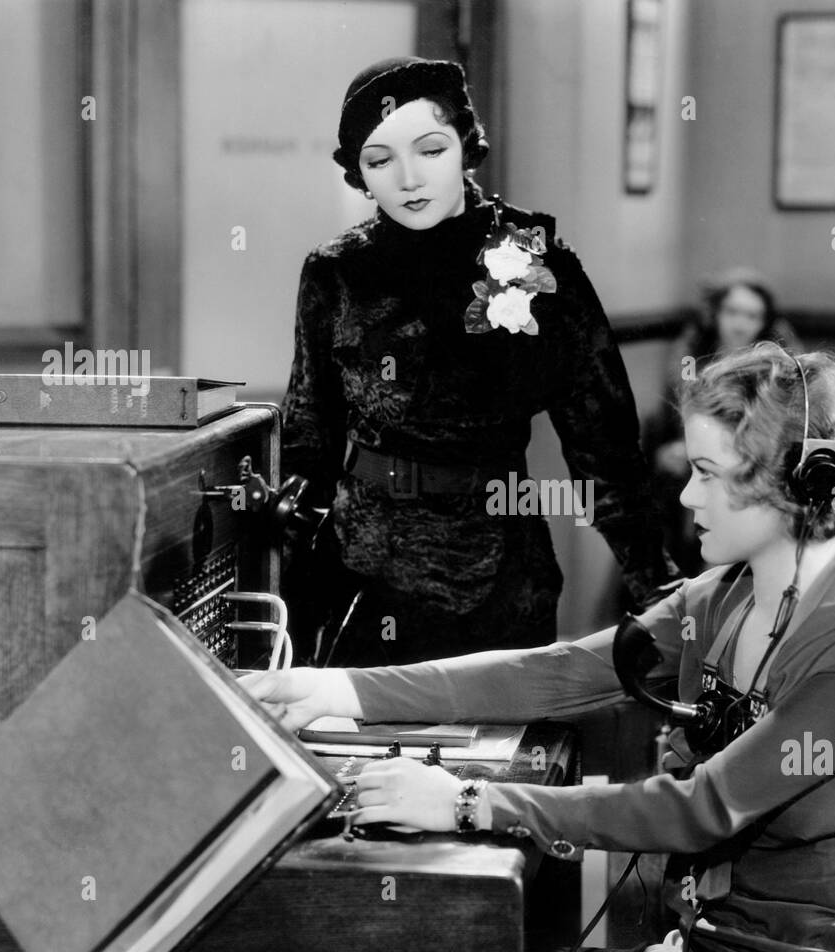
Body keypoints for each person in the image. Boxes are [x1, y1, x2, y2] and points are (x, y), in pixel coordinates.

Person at [244, 342, 835, 952]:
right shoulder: (728, 592)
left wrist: (468, 801)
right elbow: (558, 673)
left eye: (708, 475)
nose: (685, 500)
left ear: (794, 484)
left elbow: (702, 807)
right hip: (704, 945)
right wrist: (338, 689)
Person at [280, 56, 678, 667]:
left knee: (500, 755)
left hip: (495, 574)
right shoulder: (335, 271)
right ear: (359, 176)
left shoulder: (534, 261)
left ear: (466, 145)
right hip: (360, 574)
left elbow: (605, 448)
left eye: (430, 150)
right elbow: (309, 431)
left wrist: (658, 589)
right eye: (380, 160)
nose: (408, 179)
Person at [643, 267, 804, 577]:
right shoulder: (690, 358)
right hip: (689, 473)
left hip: (752, 469)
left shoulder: (776, 368)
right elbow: (667, 426)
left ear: (765, 322)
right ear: (715, 314)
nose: (741, 324)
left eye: (752, 316)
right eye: (732, 312)